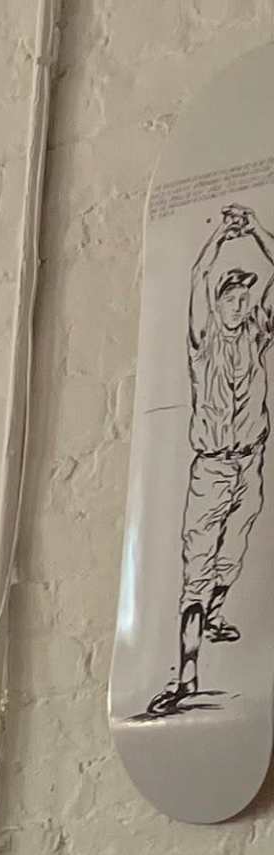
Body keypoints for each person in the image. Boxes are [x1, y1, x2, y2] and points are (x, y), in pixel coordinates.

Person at [151, 203, 274, 716]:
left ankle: (217, 616)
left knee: (236, 550)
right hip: (213, 467)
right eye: (232, 297)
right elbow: (200, 275)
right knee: (197, 568)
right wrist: (224, 234)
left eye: (246, 298)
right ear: (218, 303)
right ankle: (186, 677)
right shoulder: (204, 343)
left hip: (251, 462)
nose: (240, 304)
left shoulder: (258, 334)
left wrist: (259, 232)